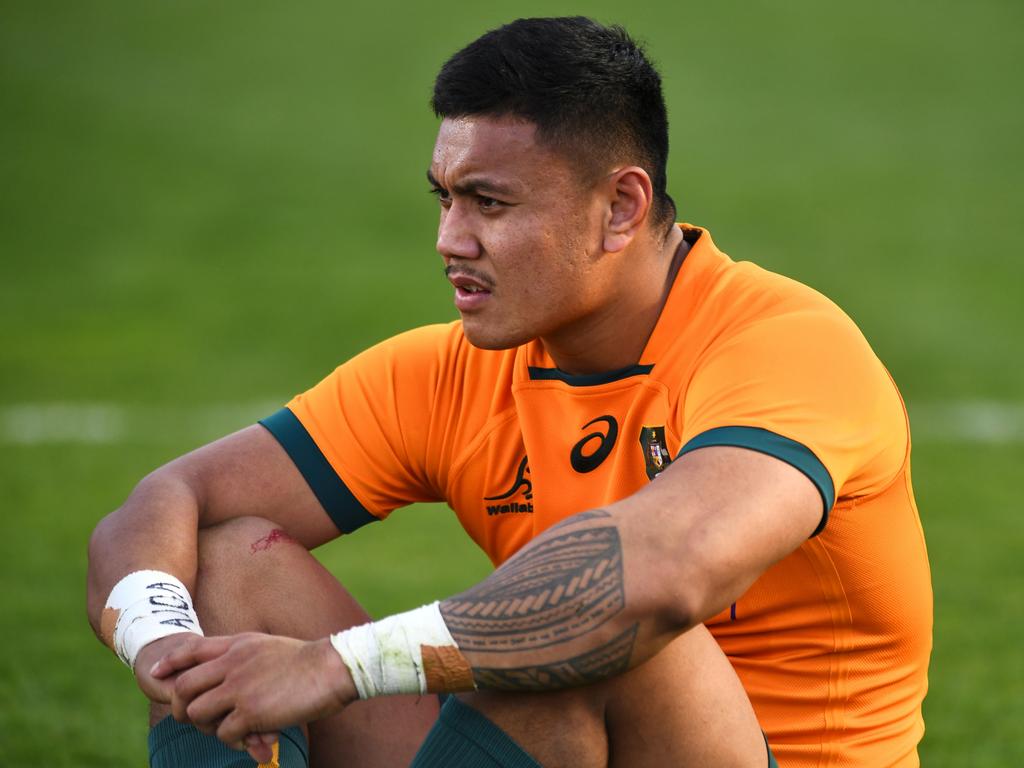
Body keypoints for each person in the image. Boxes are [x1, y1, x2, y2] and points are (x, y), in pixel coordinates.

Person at [87, 16, 932, 768]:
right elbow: (171, 499)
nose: (450, 240)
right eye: (445, 198)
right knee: (230, 564)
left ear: (620, 208)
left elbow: (660, 578)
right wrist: (165, 648)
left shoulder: (786, 345)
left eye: (489, 202)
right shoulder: (451, 369)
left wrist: (331, 666)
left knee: (588, 630)